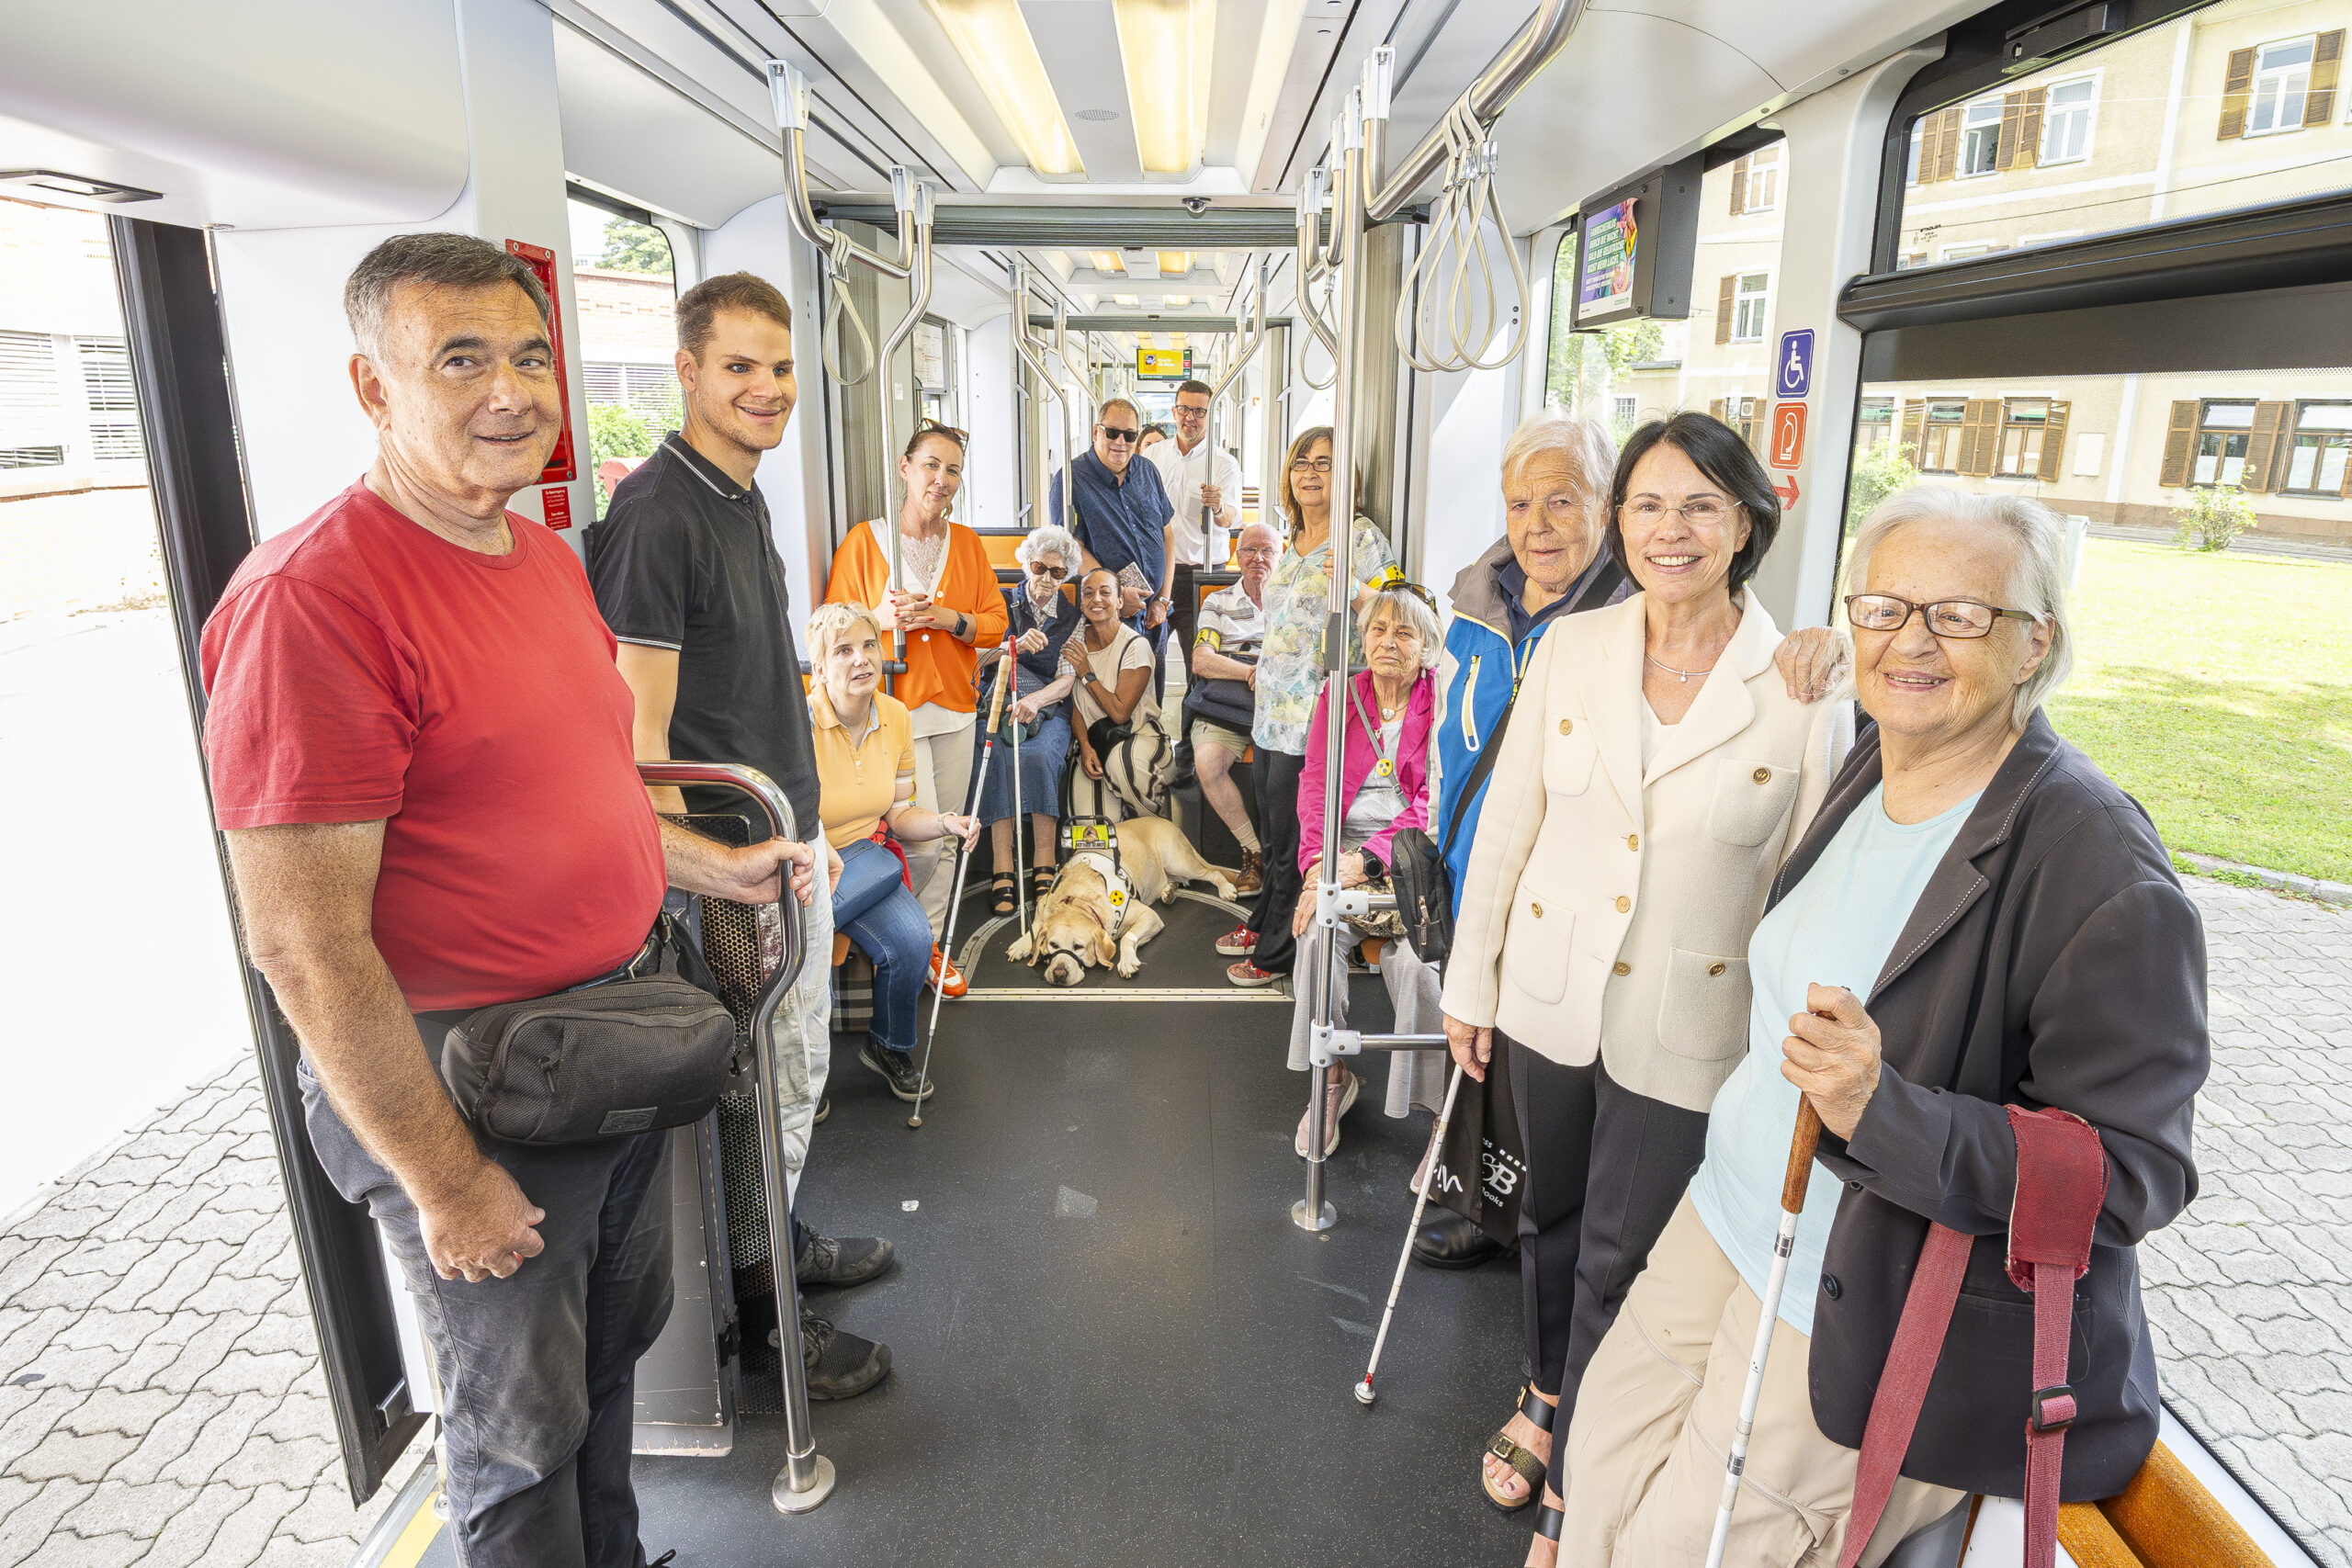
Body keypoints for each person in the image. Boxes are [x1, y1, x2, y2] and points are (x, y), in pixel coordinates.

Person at [201, 233, 824, 1566]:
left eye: (531, 354)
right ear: (374, 388)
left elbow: (591, 786)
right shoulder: (313, 601)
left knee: (607, 1371)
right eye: (461, 360)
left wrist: (717, 866)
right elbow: (300, 941)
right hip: (469, 1082)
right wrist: (448, 1181)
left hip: (600, 1044)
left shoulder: (541, 557)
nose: (511, 390)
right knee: (514, 1431)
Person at [1550, 487, 2208, 1568]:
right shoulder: (1874, 760)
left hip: (1859, 1312)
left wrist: (1881, 1111)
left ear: (2035, 642)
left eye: (1959, 615)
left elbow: (2131, 1176)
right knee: (1595, 1489)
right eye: (1884, 607)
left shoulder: (2095, 866)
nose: (1910, 639)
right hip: (1724, 1224)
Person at [1441, 412, 1855, 1559]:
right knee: (1546, 1222)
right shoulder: (1575, 650)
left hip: (1691, 1024)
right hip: (1550, 995)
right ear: (1618, 522)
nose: (1669, 531)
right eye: (1646, 505)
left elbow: (1805, 887)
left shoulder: (1799, 684)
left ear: (1745, 523)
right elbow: (1512, 816)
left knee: (1627, 1255)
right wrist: (1469, 984)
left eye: (1699, 506)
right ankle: (1542, 1390)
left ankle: (1584, 1473)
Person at [594, 269, 896, 1404]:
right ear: (685, 371)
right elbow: (641, 745)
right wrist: (713, 875)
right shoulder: (657, 517)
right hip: (731, 867)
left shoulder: (742, 493)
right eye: (739, 367)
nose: (767, 389)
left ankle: (783, 1237)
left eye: (778, 370)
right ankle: (768, 1321)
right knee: (754, 1087)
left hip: (787, 837)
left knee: (795, 1074)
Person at [824, 422, 1006, 986]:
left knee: (950, 831)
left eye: (953, 470)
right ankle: (905, 939)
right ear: (905, 468)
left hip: (954, 705)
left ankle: (929, 942)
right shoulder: (864, 542)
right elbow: (830, 628)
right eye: (931, 465)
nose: (942, 479)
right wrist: (880, 618)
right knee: (915, 840)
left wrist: (948, 619)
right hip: (888, 710)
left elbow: (996, 626)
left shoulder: (969, 545)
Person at [1221, 425, 1395, 987]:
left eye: (1324, 463)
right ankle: (1265, 916)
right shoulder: (1291, 539)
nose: (1311, 473)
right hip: (1273, 708)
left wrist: (1354, 586)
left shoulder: (1360, 540)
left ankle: (1278, 952)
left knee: (1295, 840)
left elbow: (1393, 616)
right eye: (1302, 463)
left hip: (1319, 716)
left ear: (1348, 480)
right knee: (1273, 834)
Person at [1283, 581, 1448, 1156]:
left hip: (1409, 855)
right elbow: (1315, 787)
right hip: (1340, 849)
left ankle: (1437, 1114)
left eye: (1404, 632)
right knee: (1315, 941)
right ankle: (1330, 1080)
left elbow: (1435, 803)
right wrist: (1315, 868)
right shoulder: (1340, 696)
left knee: (1419, 968)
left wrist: (1365, 861)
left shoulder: (1441, 700)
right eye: (1378, 629)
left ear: (1427, 646)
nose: (1388, 642)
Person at [806, 602, 982, 1104]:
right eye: (843, 650)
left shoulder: (897, 716)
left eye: (869, 645)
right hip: (815, 862)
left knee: (911, 942)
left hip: (867, 856)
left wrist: (946, 822)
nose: (862, 659)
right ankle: (807, 1069)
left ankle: (886, 1046)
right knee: (813, 947)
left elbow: (900, 813)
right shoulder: (800, 723)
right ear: (819, 668)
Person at [974, 524, 1086, 914]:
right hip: (999, 698)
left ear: (1066, 576)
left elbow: (1067, 679)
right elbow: (973, 662)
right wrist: (1013, 647)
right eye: (1040, 568)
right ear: (1026, 565)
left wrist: (1036, 702)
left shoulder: (1072, 618)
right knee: (996, 758)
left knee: (1039, 756)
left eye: (1058, 573)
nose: (1046, 579)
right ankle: (1002, 866)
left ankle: (1044, 861)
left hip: (1047, 704)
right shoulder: (1000, 604)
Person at [1188, 520, 1279, 895]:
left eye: (1267, 550)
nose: (1258, 558)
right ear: (1236, 556)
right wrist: (1251, 672)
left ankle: (1288, 860)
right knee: (1208, 762)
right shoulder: (1218, 602)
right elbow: (1201, 660)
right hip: (1229, 703)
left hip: (1279, 704)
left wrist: (1271, 675)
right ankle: (1253, 853)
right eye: (1249, 550)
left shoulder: (1295, 600)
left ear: (1281, 556)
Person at [1048, 396, 1175, 660]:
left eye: (1129, 436)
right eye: (1113, 433)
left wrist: (1163, 600)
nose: (1121, 442)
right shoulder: (1070, 480)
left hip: (1154, 613)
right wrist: (1116, 596)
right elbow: (1072, 548)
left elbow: (1167, 534)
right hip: (1108, 615)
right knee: (1116, 693)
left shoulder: (1148, 471)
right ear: (1096, 432)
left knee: (1153, 692)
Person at [1062, 566, 1160, 821]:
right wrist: (1084, 746)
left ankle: (1155, 827)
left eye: (1105, 592)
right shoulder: (1073, 641)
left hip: (1136, 735)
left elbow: (1119, 713)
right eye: (1088, 593)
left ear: (1120, 602)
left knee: (1121, 767)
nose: (1096, 599)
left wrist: (1086, 672)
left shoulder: (1135, 646)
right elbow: (1073, 704)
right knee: (1090, 828)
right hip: (1092, 739)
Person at [1148, 379, 1244, 571]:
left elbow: (1229, 520)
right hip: (1159, 565)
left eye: (1199, 411)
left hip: (1205, 567)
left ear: (1210, 416)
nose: (1190, 417)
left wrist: (1218, 508)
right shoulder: (1152, 455)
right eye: (1184, 409)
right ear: (1174, 412)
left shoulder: (1224, 463)